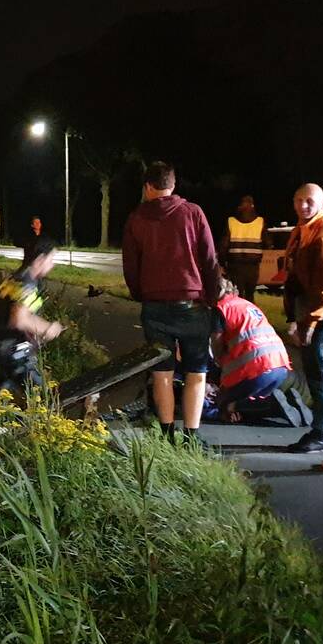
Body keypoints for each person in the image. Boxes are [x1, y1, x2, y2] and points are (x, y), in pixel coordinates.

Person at [122, 161, 221, 445]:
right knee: (196, 372)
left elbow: (131, 265)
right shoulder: (193, 213)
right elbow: (210, 260)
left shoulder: (136, 219)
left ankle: (166, 435)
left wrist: (141, 293)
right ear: (173, 185)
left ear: (148, 187)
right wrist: (211, 299)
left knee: (162, 372)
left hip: (155, 306)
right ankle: (191, 435)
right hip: (192, 305)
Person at [282, 184, 323, 453]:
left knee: (319, 373)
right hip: (306, 309)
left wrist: (312, 321)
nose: (303, 205)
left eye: (310, 201)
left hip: (319, 314)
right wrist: (292, 318)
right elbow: (293, 278)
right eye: (299, 200)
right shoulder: (302, 229)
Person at [0, 236, 65, 395]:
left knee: (6, 400)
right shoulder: (28, 283)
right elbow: (19, 319)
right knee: (45, 399)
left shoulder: (14, 278)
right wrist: (48, 328)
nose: (53, 264)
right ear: (40, 259)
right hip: (14, 355)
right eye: (51, 259)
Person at [212, 278, 291, 422]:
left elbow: (217, 352)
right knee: (244, 406)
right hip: (280, 366)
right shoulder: (246, 305)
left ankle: (270, 406)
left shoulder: (220, 309)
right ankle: (283, 403)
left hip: (256, 371)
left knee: (223, 404)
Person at [220, 194, 268, 302]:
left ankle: (238, 317)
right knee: (250, 295)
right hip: (253, 266)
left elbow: (223, 245)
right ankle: (251, 316)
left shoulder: (231, 221)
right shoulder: (260, 221)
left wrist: (222, 262)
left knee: (237, 294)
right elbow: (268, 243)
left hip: (235, 266)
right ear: (253, 206)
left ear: (239, 207)